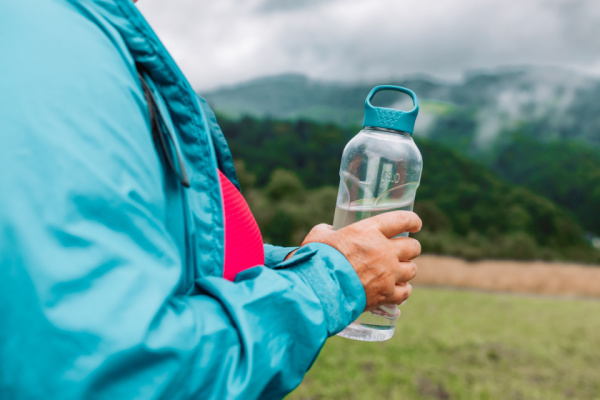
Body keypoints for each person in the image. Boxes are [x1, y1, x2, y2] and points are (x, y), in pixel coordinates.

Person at [0, 1, 421, 399]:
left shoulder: (76, 26)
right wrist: (331, 279)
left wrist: (296, 261)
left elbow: (134, 236)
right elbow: (116, 372)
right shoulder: (51, 47)